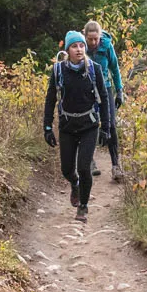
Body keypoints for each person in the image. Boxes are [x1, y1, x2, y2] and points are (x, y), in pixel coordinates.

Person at [43, 32, 108, 223]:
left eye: (81, 45)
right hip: (67, 126)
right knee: (66, 170)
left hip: (89, 125)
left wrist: (107, 128)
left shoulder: (94, 70)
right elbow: (50, 99)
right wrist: (47, 127)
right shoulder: (58, 71)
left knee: (84, 168)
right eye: (74, 46)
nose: (79, 49)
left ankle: (83, 206)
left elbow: (104, 99)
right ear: (67, 50)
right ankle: (75, 184)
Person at [84, 20, 126, 182]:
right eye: (90, 39)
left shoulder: (106, 46)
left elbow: (114, 69)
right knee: (88, 124)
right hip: (87, 89)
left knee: (111, 125)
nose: (93, 42)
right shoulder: (81, 47)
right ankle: (90, 161)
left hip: (105, 88)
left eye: (96, 39)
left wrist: (120, 91)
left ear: (100, 37)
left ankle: (116, 166)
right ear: (85, 37)